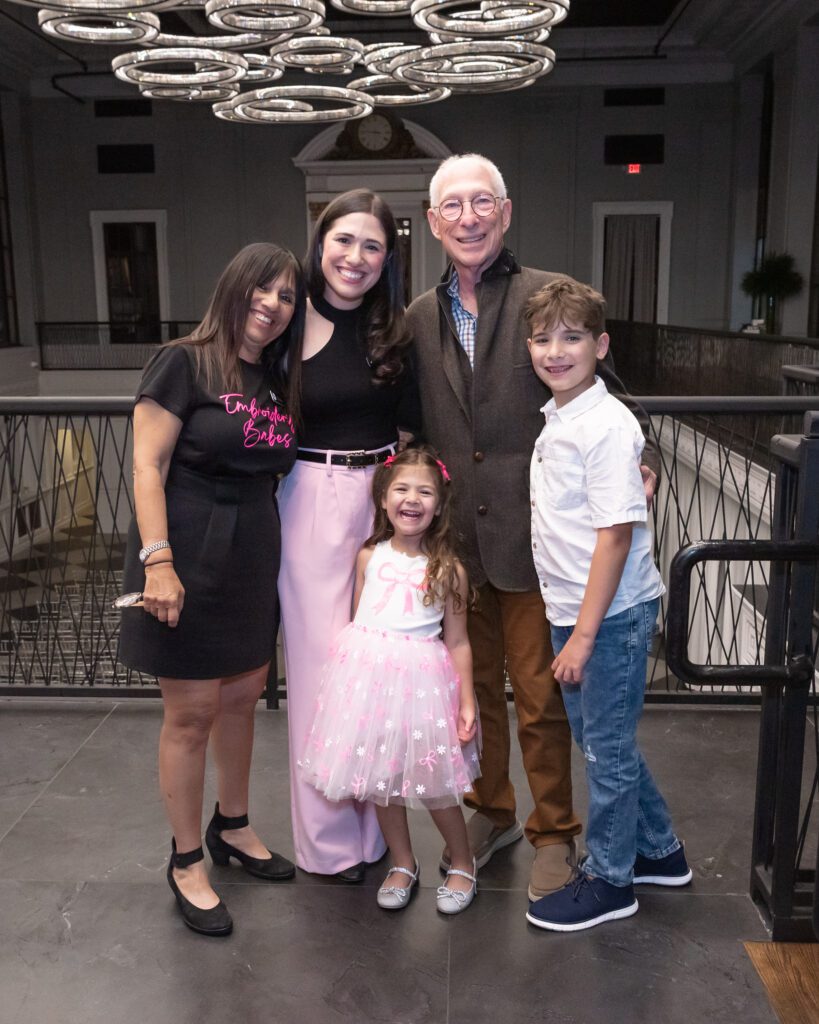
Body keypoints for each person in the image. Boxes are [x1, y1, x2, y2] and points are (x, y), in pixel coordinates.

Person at [405, 153, 660, 902]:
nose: (467, 218)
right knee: (470, 693)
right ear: (431, 222)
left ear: (505, 212)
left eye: (481, 202)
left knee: (542, 698)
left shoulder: (544, 298)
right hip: (458, 546)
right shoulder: (420, 317)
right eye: (451, 206)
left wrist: (644, 467)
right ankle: (492, 812)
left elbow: (610, 401)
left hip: (536, 549)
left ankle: (555, 831)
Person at [118, 243, 305, 937]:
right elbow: (146, 464)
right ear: (234, 288)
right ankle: (187, 857)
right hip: (188, 543)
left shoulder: (277, 377)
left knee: (240, 699)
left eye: (286, 297)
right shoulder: (184, 360)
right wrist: (158, 562)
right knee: (192, 711)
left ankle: (233, 825)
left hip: (253, 545)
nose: (271, 305)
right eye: (262, 290)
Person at [523, 277, 690, 932]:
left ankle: (611, 879)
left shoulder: (604, 425)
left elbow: (615, 535)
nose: (555, 351)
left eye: (570, 337)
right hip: (575, 609)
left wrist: (584, 637)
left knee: (606, 752)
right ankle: (659, 852)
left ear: (600, 345)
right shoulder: (563, 416)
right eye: (542, 338)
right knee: (602, 740)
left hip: (608, 618)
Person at [277, 189, 420, 881]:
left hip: (381, 504)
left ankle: (376, 839)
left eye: (371, 245)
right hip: (310, 502)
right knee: (319, 674)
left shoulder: (393, 329)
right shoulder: (283, 321)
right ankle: (329, 844)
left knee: (374, 675)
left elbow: (417, 422)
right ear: (319, 243)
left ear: (386, 258)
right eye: (343, 240)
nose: (354, 258)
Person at [298, 447, 481, 914]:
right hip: (368, 682)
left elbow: (457, 641)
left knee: (435, 784)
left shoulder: (449, 570)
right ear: (383, 499)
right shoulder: (368, 556)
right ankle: (402, 862)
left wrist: (467, 700)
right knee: (379, 779)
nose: (412, 499)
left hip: (421, 685)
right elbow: (360, 619)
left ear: (439, 505)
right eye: (401, 489)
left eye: (424, 491)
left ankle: (463, 862)